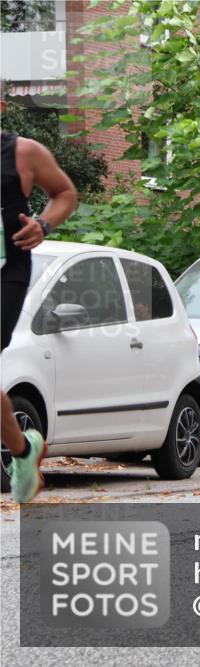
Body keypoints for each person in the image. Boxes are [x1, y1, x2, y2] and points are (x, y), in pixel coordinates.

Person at [1, 130, 78, 503]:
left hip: (7, 272)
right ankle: (23, 450)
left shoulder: (23, 153)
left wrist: (43, 225)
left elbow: (65, 194)